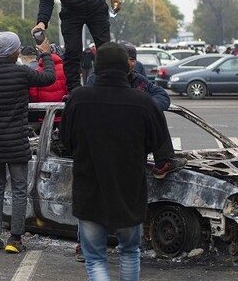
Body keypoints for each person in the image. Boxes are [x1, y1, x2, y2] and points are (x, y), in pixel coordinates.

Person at [60, 43, 178, 281]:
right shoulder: (143, 102)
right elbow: (159, 144)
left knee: (95, 258)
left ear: (97, 66)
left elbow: (65, 141)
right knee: (130, 251)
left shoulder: (78, 99)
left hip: (89, 190)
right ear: (127, 66)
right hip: (129, 192)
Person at [0, 31, 56, 253]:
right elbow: (49, 77)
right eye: (17, 47)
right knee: (19, 189)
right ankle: (15, 239)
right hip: (17, 141)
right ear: (13, 51)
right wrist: (46, 54)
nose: (19, 50)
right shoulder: (22, 73)